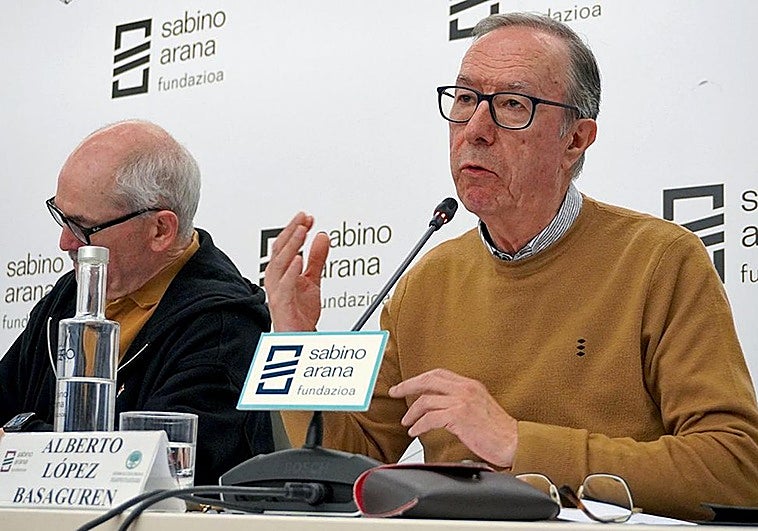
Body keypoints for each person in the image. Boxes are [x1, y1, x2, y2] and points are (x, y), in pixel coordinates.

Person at [265, 13, 758, 521]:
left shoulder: (660, 260)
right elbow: (352, 465)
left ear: (575, 140)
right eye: (464, 99)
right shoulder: (428, 280)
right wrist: (296, 341)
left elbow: (736, 467)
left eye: (512, 105)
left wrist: (517, 442)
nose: (475, 131)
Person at [0, 119, 274, 486]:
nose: (65, 243)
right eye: (61, 217)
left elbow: (148, 467)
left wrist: (19, 438)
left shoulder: (224, 324)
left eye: (83, 227)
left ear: (160, 230)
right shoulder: (68, 297)